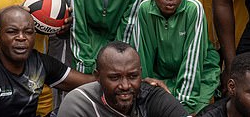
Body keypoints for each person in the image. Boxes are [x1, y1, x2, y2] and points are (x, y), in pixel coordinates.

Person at [133, 0, 220, 114]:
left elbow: (193, 59)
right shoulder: (144, 10)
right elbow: (143, 54)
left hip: (198, 77)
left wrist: (182, 103)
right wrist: (145, 90)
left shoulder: (194, 9)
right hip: (162, 77)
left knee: (192, 112)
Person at [0, 7, 93, 116]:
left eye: (28, 32)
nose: (21, 37)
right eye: (12, 32)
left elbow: (91, 83)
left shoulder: (39, 62)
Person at [57, 41, 187, 117]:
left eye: (133, 76)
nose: (125, 85)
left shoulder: (153, 96)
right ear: (97, 76)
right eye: (114, 77)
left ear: (140, 74)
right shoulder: (79, 104)